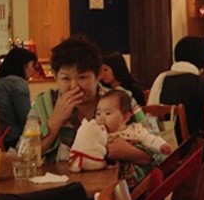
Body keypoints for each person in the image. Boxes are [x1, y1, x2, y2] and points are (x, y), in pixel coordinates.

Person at [29, 36, 151, 166]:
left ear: (99, 74)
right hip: (61, 183)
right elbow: (24, 154)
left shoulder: (121, 99)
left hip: (114, 183)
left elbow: (158, 152)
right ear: (54, 76)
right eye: (65, 78)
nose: (74, 86)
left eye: (82, 77)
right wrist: (55, 120)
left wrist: (129, 152)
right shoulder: (43, 103)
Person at [148, 36, 204, 137]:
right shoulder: (197, 82)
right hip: (188, 144)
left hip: (159, 138)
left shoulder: (161, 77)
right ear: (201, 61)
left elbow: (150, 111)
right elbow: (203, 122)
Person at [0, 47, 38, 149]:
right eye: (32, 66)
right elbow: (27, 119)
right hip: (11, 140)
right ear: (24, 66)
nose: (33, 71)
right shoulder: (18, 83)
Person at [97, 89, 172, 157]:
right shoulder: (96, 132)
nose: (101, 118)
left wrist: (161, 146)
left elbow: (150, 139)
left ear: (125, 117)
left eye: (107, 113)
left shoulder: (135, 130)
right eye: (98, 113)